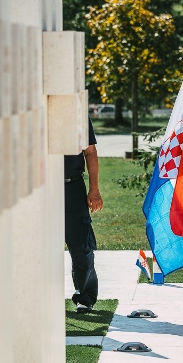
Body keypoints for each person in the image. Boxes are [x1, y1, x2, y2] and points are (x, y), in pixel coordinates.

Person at [64, 117, 103, 313]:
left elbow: (90, 152)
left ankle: (85, 298)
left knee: (81, 245)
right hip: (40, 187)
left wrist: (94, 189)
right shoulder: (32, 109)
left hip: (72, 188)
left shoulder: (77, 115)